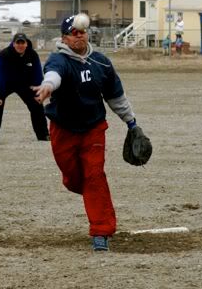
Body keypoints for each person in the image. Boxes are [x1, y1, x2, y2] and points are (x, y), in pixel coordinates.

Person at [31, 14, 140, 251]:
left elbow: (116, 96)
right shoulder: (59, 60)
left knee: (94, 175)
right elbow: (53, 75)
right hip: (63, 130)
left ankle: (101, 231)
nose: (79, 36)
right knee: (73, 179)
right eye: (74, 33)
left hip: (93, 129)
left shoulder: (101, 62)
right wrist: (48, 86)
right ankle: (85, 188)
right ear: (65, 37)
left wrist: (132, 123)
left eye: (82, 32)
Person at [0, 33, 49, 146]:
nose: (20, 45)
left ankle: (43, 135)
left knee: (37, 104)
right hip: (7, 83)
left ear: (26, 44)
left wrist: (38, 92)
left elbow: (37, 74)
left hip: (25, 84)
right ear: (13, 44)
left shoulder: (32, 54)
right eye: (17, 43)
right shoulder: (4, 55)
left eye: (22, 43)